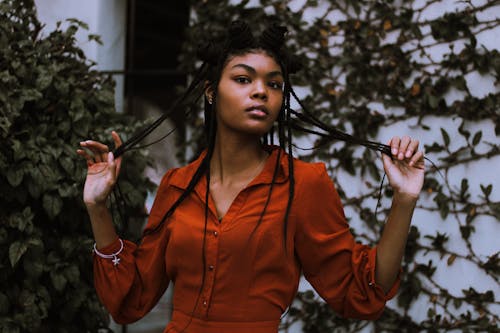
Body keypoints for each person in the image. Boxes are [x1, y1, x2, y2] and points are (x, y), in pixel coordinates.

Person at [77, 21, 425, 333]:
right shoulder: (177, 185)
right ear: (211, 92)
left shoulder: (303, 185)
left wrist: (404, 199)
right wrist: (97, 206)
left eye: (273, 84)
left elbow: (360, 291)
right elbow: (131, 299)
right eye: (243, 79)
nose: (261, 91)